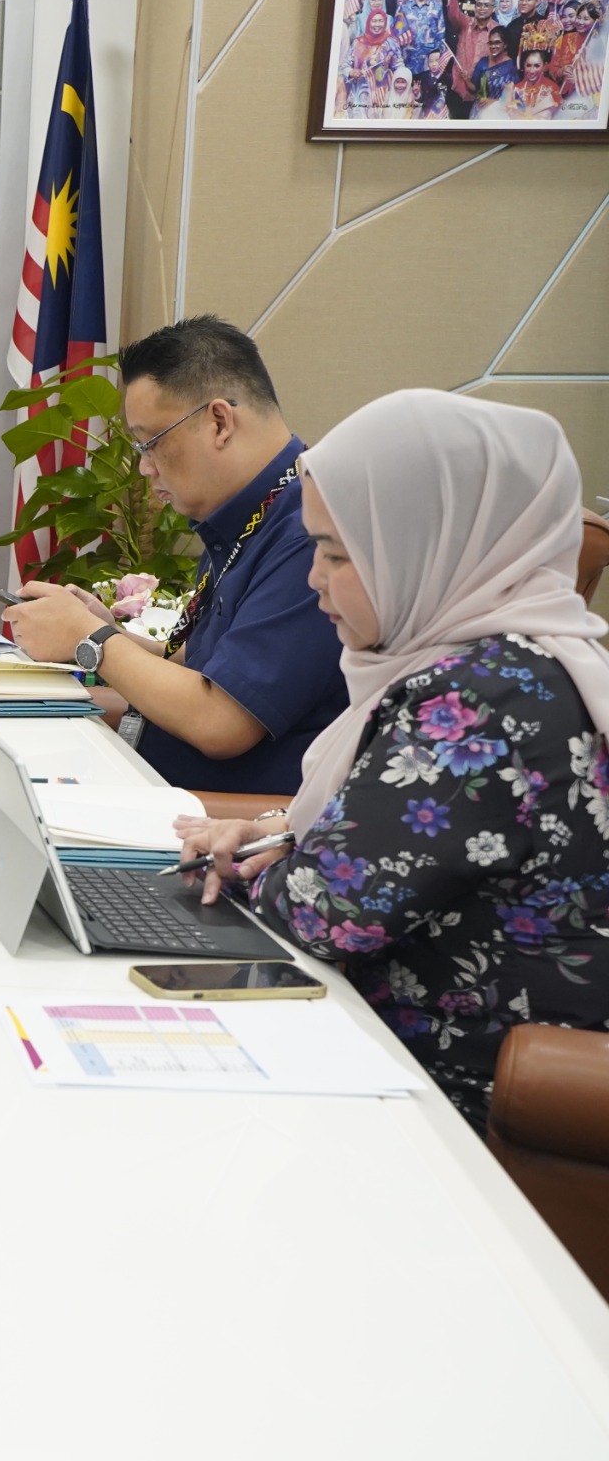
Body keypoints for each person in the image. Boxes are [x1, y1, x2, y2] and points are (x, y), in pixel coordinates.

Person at [178, 392, 609, 1133]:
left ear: (431, 545)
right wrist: (283, 834)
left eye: (338, 554)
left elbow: (324, 915)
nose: (314, 578)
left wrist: (266, 864)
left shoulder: (483, 696)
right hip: (411, 1044)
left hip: (452, 1092)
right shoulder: (511, 660)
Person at [5, 316, 344, 795]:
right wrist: (106, 631)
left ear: (219, 422)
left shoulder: (312, 534)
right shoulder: (251, 512)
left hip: (223, 821)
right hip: (169, 791)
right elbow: (211, 663)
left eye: (151, 443)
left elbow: (221, 721)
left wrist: (90, 638)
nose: (145, 467)